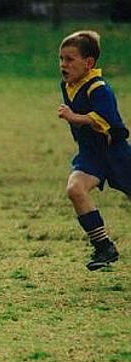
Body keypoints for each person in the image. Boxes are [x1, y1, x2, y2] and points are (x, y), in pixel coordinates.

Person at [57, 30, 130, 271]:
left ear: (88, 63)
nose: (63, 65)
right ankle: (104, 247)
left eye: (69, 59)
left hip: (116, 154)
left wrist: (74, 117)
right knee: (75, 189)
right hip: (90, 154)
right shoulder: (67, 86)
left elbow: (106, 121)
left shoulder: (99, 87)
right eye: (61, 59)